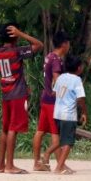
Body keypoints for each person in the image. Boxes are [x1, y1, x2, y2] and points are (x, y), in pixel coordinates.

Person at [0, 23, 43, 174]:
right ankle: (10, 166)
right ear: (13, 36)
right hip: (17, 95)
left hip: (6, 93)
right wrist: (21, 34)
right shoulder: (17, 52)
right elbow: (38, 45)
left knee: (5, 128)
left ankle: (1, 165)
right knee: (13, 129)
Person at [33, 31, 69, 172]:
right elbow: (56, 78)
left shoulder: (49, 56)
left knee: (40, 131)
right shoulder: (57, 60)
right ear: (64, 44)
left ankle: (37, 163)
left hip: (45, 98)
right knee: (56, 133)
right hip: (53, 100)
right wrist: (63, 96)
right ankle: (61, 165)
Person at [51, 55, 88, 175]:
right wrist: (83, 112)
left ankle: (61, 165)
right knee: (68, 142)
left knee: (62, 140)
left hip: (57, 113)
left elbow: (54, 92)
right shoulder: (77, 80)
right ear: (78, 68)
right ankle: (59, 167)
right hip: (68, 115)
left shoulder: (61, 77)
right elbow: (81, 98)